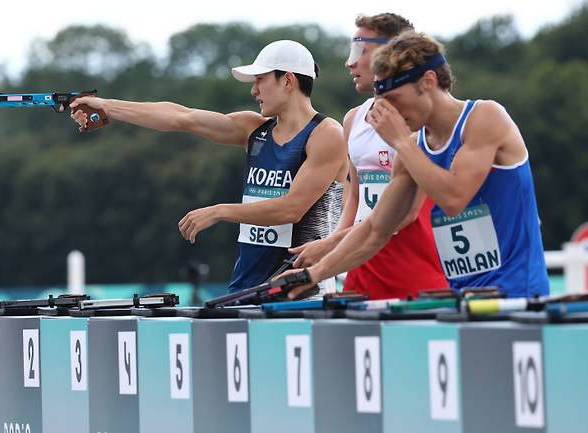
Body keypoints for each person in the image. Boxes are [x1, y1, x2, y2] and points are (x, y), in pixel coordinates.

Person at [283, 31, 549, 299]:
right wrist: (313, 274)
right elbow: (375, 229)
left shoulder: (485, 117)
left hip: (516, 295)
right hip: (461, 297)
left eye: (395, 100)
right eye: (381, 102)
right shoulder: (414, 147)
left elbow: (454, 198)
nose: (388, 113)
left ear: (428, 81)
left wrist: (401, 142)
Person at [69, 40, 347, 293]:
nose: (254, 90)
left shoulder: (326, 134)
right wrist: (106, 106)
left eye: (260, 80)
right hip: (246, 290)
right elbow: (181, 117)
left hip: (304, 294)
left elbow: (292, 209)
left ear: (288, 80)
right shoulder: (253, 129)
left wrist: (220, 211)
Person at [290, 13, 446, 300]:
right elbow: (353, 200)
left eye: (359, 50)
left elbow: (406, 214)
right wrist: (332, 255)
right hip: (360, 271)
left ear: (390, 53)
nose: (350, 62)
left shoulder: (422, 121)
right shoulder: (353, 119)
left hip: (415, 275)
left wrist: (329, 245)